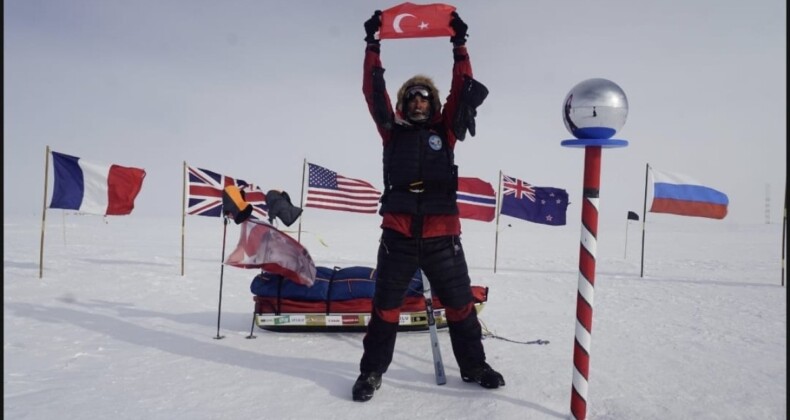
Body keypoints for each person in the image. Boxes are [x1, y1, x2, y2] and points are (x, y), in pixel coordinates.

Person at [352, 10, 504, 402]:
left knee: (460, 306)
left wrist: (459, 45)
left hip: (442, 238)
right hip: (398, 236)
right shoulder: (391, 131)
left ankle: (473, 366)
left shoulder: (445, 131)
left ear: (433, 103)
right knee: (385, 309)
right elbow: (373, 92)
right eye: (412, 97)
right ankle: (371, 373)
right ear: (404, 103)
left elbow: (462, 86)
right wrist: (373, 45)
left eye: (424, 96)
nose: (418, 101)